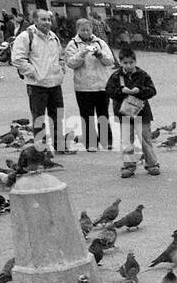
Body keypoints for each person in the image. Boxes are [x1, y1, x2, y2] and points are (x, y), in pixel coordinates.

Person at [11, 9, 66, 156]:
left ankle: (59, 145)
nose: (47, 22)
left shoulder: (53, 37)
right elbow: (17, 59)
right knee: (39, 118)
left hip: (54, 83)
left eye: (49, 19)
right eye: (43, 19)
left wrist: (61, 70)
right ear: (35, 21)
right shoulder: (26, 37)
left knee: (57, 115)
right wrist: (34, 73)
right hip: (37, 85)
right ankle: (41, 149)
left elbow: (61, 56)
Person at [63, 18, 115, 153]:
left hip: (101, 85)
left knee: (103, 115)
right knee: (87, 116)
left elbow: (110, 61)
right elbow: (70, 63)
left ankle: (106, 140)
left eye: (88, 29)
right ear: (77, 30)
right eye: (83, 30)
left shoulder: (100, 42)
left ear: (92, 29)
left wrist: (99, 54)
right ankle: (91, 142)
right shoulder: (72, 44)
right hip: (83, 87)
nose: (86, 32)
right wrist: (83, 53)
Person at [107, 47, 160, 178]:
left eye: (131, 62)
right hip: (124, 114)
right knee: (126, 141)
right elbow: (109, 91)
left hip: (142, 113)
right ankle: (129, 165)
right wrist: (121, 91)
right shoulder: (115, 76)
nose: (128, 65)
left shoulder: (143, 75)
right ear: (120, 63)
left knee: (145, 139)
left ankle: (152, 164)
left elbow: (152, 90)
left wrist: (139, 91)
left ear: (135, 61)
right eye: (125, 63)